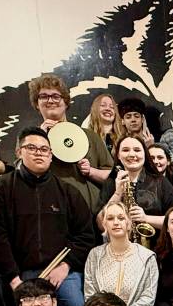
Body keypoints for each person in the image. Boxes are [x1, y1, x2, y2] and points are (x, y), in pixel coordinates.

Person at [0, 126, 95, 306]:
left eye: (44, 150)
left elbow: (85, 236)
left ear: (51, 155)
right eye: (32, 148)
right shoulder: (1, 187)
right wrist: (14, 279)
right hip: (19, 272)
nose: (39, 153)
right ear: (19, 152)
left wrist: (65, 266)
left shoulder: (68, 191)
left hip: (61, 271)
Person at [30, 74, 113, 209]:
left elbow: (112, 178)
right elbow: (23, 175)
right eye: (44, 96)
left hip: (91, 214)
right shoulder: (30, 138)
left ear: (66, 102)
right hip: (50, 213)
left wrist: (91, 171)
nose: (50, 100)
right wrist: (40, 138)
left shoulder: (90, 136)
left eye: (56, 96)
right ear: (37, 104)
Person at [84, 200, 159, 306]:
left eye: (121, 218)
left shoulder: (147, 257)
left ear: (129, 223)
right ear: (104, 224)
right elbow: (90, 295)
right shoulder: (95, 255)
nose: (116, 222)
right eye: (110, 218)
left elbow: (147, 299)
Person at [99, 135, 173, 236]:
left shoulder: (161, 182)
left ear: (145, 154)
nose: (132, 154)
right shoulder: (111, 182)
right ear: (118, 155)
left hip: (156, 247)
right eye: (125, 150)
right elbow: (100, 224)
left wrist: (146, 218)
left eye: (137, 150)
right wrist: (118, 193)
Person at [83, 91, 123, 155]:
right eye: (103, 105)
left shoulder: (123, 137)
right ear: (95, 109)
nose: (108, 109)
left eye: (112, 107)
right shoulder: (85, 137)